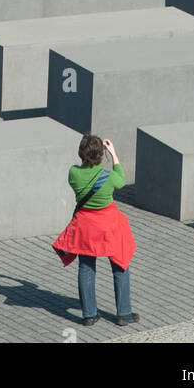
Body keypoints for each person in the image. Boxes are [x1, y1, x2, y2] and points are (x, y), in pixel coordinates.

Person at [53, 133, 139, 327]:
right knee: (120, 263)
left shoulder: (73, 173)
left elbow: (81, 172)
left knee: (86, 266)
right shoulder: (108, 178)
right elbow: (121, 180)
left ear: (81, 153)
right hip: (109, 226)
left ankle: (89, 315)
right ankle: (123, 313)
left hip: (85, 225)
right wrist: (114, 154)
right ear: (101, 155)